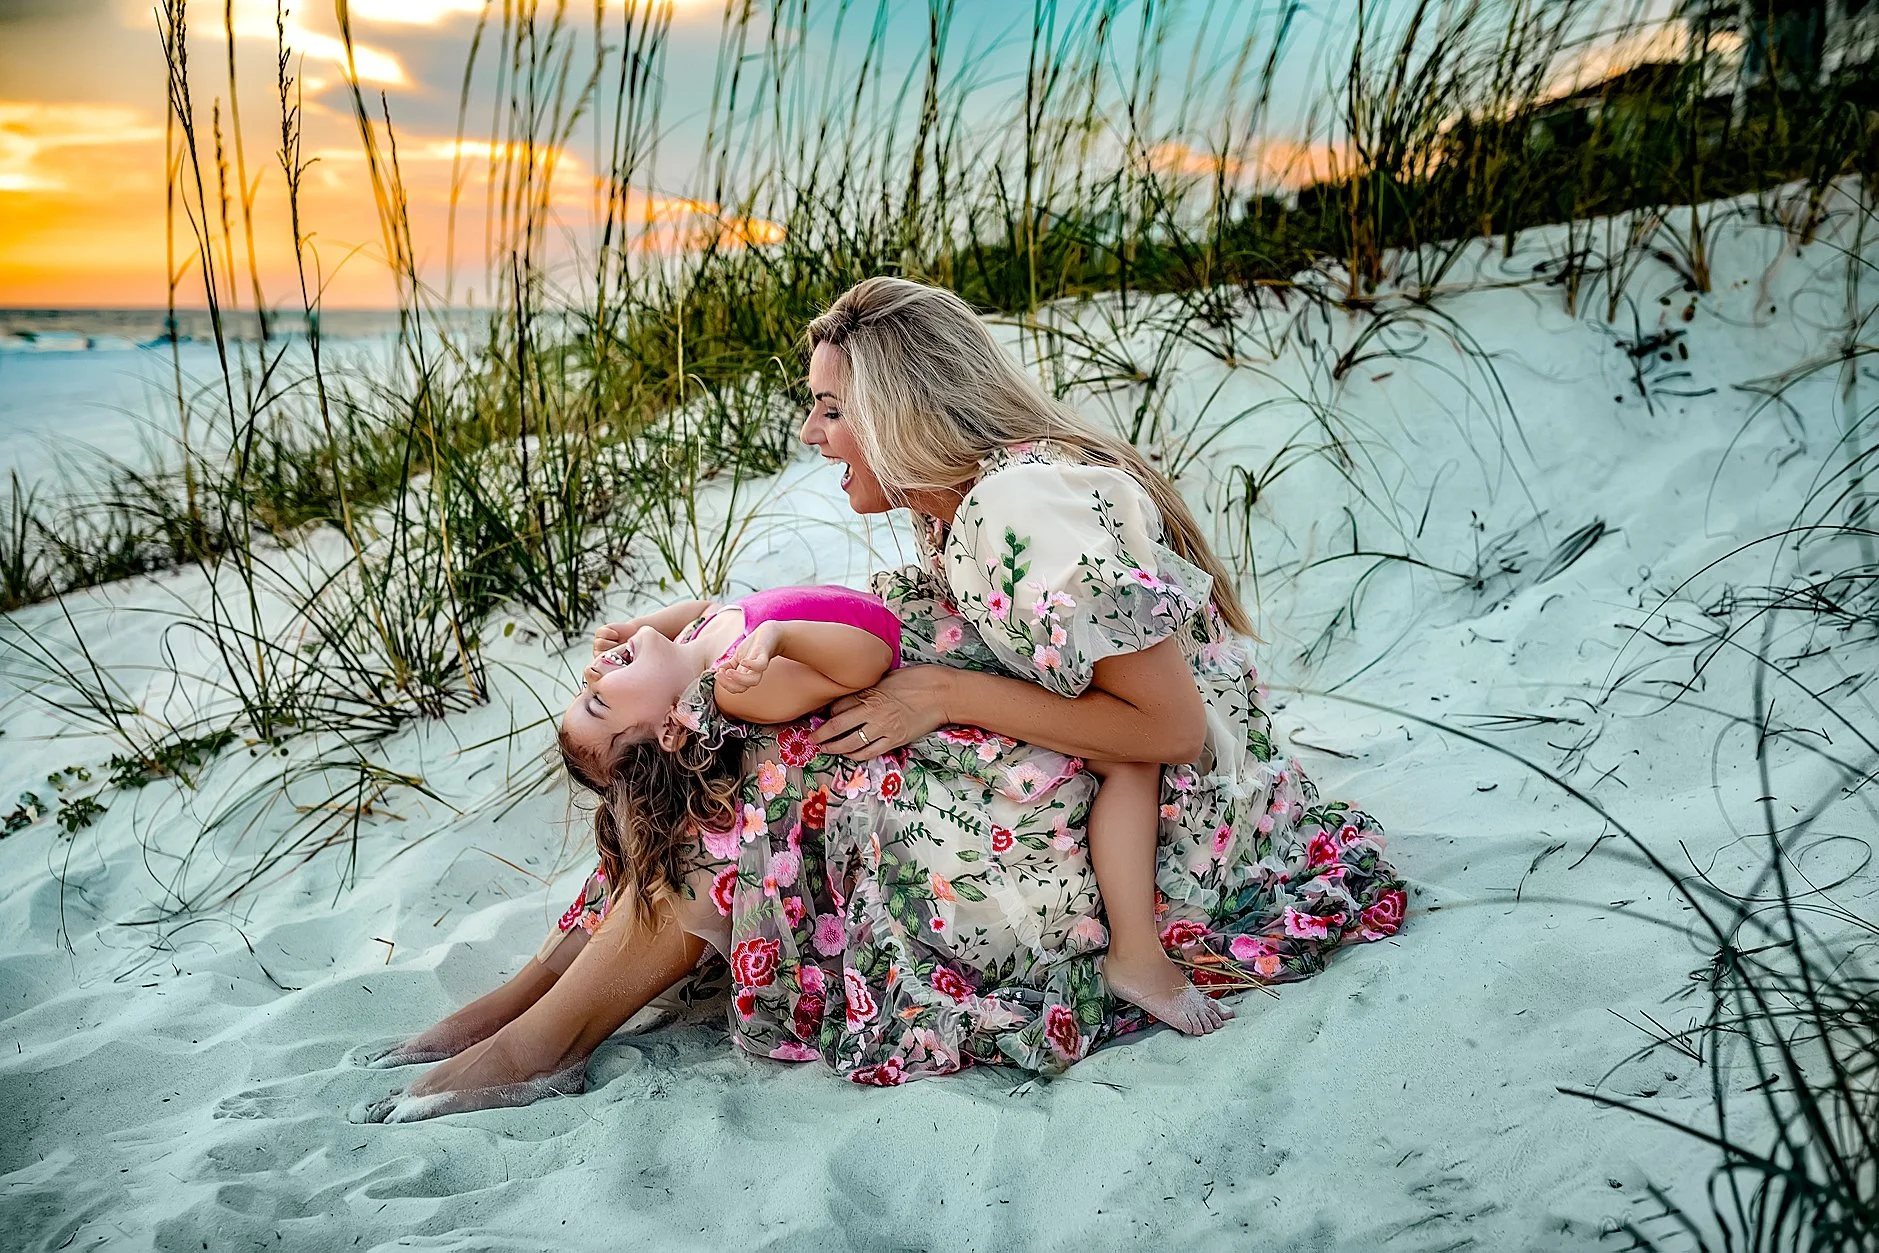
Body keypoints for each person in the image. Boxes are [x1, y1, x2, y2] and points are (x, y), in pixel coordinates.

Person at [359, 277, 1403, 1118]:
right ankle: (541, 987)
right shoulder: (962, 496)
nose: (813, 432)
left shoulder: (1021, 504)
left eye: (830, 406)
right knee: (734, 745)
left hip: (1179, 799)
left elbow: (1171, 728)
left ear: (899, 408)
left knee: (774, 782)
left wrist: (941, 692)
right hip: (1083, 738)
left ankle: (550, 1034)